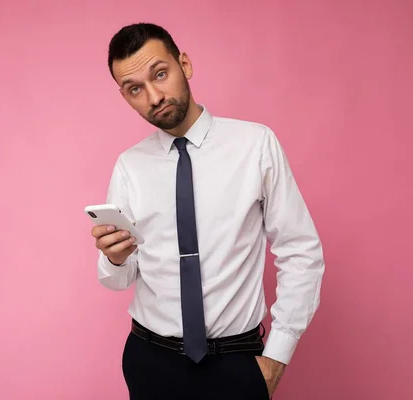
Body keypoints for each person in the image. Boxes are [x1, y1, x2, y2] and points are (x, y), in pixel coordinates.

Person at [90, 22, 325, 400]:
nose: (153, 96)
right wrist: (115, 259)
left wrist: (277, 356)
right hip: (150, 360)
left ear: (185, 64)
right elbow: (119, 280)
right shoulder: (129, 165)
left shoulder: (255, 145)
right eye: (136, 89)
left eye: (160, 74)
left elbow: (301, 252)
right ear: (125, 97)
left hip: (235, 364)